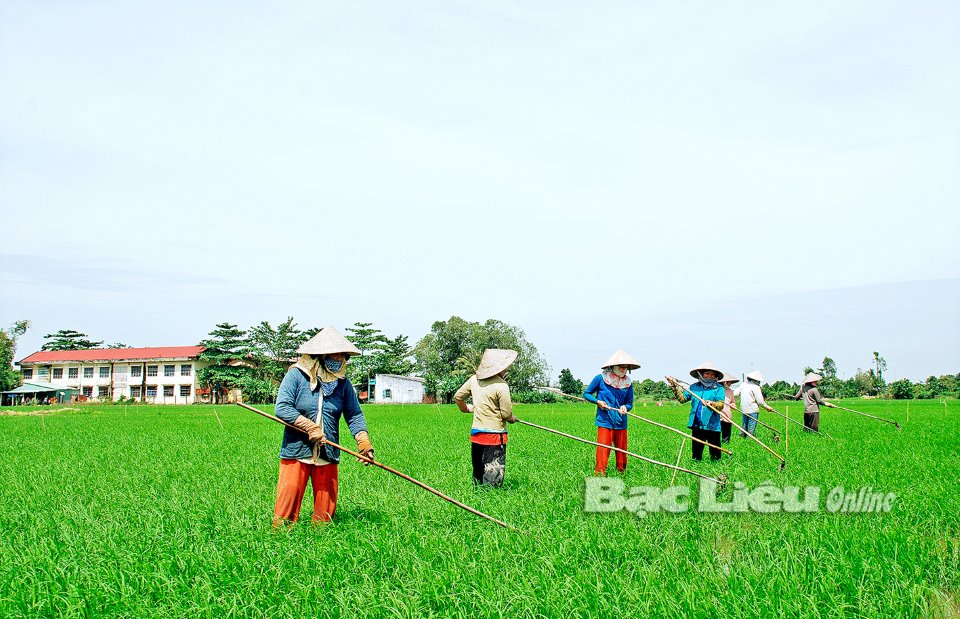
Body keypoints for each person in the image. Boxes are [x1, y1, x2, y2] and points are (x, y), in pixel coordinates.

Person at [273, 326, 374, 526]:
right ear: (320, 356)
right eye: (334, 357)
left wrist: (364, 442)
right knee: (288, 502)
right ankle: (280, 537)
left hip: (327, 452)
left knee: (325, 515)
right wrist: (309, 427)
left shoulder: (343, 384)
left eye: (342, 357)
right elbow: (282, 407)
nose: (338, 361)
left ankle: (321, 540)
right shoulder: (296, 376)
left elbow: (354, 415)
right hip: (296, 450)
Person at [454, 349, 519, 487]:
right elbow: (506, 414)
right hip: (494, 436)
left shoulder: (474, 380)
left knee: (478, 472)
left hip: (477, 435)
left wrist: (466, 408)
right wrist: (512, 418)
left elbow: (458, 397)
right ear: (499, 368)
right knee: (492, 477)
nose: (506, 370)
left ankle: (477, 496)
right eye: (505, 368)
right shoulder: (502, 386)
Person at [582, 350, 639, 475]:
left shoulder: (628, 383)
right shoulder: (600, 378)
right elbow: (586, 394)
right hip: (605, 420)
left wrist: (626, 407)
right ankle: (600, 472)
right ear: (613, 366)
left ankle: (621, 472)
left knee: (622, 450)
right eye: (621, 367)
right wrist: (598, 402)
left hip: (621, 421)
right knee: (603, 448)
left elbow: (629, 402)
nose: (623, 370)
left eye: (626, 367)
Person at [666, 362, 726, 461]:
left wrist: (712, 404)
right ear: (701, 374)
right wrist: (674, 387)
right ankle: (696, 466)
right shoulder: (694, 387)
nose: (710, 376)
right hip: (697, 423)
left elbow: (721, 405)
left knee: (715, 453)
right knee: (696, 452)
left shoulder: (719, 388)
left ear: (715, 376)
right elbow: (682, 399)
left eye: (712, 374)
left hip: (712, 424)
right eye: (707, 373)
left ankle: (717, 469)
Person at [735, 370, 775, 437]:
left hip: (744, 409)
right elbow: (760, 401)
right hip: (752, 410)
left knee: (744, 424)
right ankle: (749, 438)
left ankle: (742, 436)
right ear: (756, 380)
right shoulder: (756, 387)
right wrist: (767, 407)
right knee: (751, 426)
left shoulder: (743, 384)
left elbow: (735, 394)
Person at [718, 373, 738, 443]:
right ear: (724, 382)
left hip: (727, 414)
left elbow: (732, 402)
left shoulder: (730, 391)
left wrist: (733, 405)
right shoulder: (716, 390)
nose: (730, 384)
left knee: (726, 432)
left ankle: (726, 442)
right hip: (717, 414)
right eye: (729, 382)